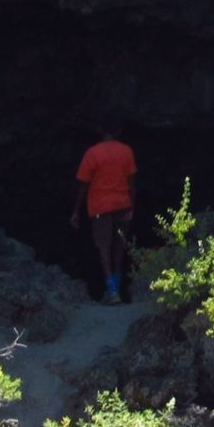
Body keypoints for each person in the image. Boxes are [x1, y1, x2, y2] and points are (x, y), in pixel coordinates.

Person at [71, 126, 138, 303]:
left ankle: (112, 291)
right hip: (123, 205)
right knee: (118, 247)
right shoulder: (126, 151)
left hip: (100, 207)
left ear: (100, 132)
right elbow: (132, 183)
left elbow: (82, 185)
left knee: (104, 248)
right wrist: (131, 208)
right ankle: (116, 287)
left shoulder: (92, 153)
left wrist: (76, 210)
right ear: (117, 132)